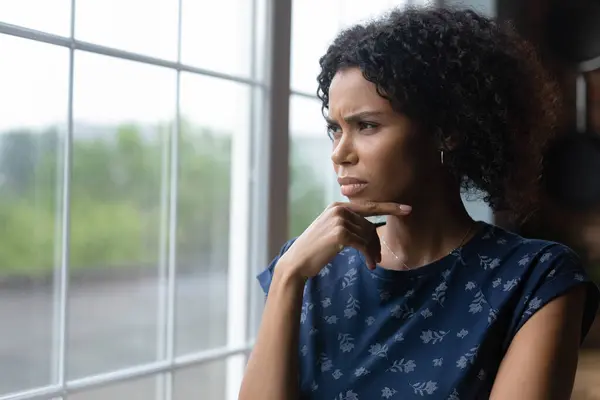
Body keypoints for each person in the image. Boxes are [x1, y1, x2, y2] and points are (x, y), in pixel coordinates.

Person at [239, 6, 600, 400]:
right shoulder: (309, 269)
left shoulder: (537, 280)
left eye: (367, 126)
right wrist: (288, 275)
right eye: (335, 129)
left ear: (447, 131)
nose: (339, 153)